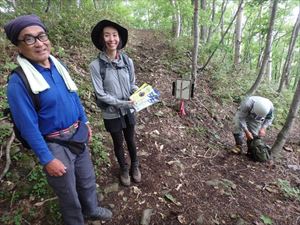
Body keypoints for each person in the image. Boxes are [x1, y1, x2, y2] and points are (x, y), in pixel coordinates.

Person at [4, 14, 112, 225]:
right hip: (55, 145)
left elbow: (73, 95)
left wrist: (85, 121)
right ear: (19, 46)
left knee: (87, 180)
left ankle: (91, 209)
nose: (38, 43)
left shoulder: (57, 65)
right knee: (68, 192)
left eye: (41, 36)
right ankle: (75, 221)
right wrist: (47, 159)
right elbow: (27, 127)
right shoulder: (19, 82)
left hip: (77, 134)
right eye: (29, 39)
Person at [89, 19, 141, 186]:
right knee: (118, 142)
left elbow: (132, 83)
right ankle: (123, 168)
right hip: (111, 112)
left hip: (129, 110)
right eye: (107, 35)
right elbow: (100, 94)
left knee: (131, 140)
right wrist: (123, 103)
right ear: (102, 39)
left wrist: (139, 91)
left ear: (119, 38)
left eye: (114, 35)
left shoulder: (127, 61)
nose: (111, 39)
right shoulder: (96, 66)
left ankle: (135, 166)